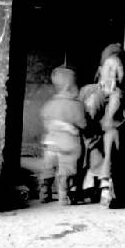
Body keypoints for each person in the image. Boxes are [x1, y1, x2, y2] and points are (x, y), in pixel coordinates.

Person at [79, 43, 125, 208]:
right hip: (90, 140)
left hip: (112, 145)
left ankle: (105, 185)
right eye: (109, 68)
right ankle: (96, 185)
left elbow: (120, 125)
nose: (114, 74)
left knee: (112, 135)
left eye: (119, 68)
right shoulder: (87, 91)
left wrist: (116, 101)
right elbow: (84, 120)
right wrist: (101, 95)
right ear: (100, 70)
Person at [39, 66, 87, 205]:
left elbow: (45, 118)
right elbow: (83, 124)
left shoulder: (50, 103)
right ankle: (63, 196)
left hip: (50, 142)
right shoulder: (76, 105)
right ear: (69, 87)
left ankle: (44, 193)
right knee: (66, 169)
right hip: (67, 143)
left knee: (48, 168)